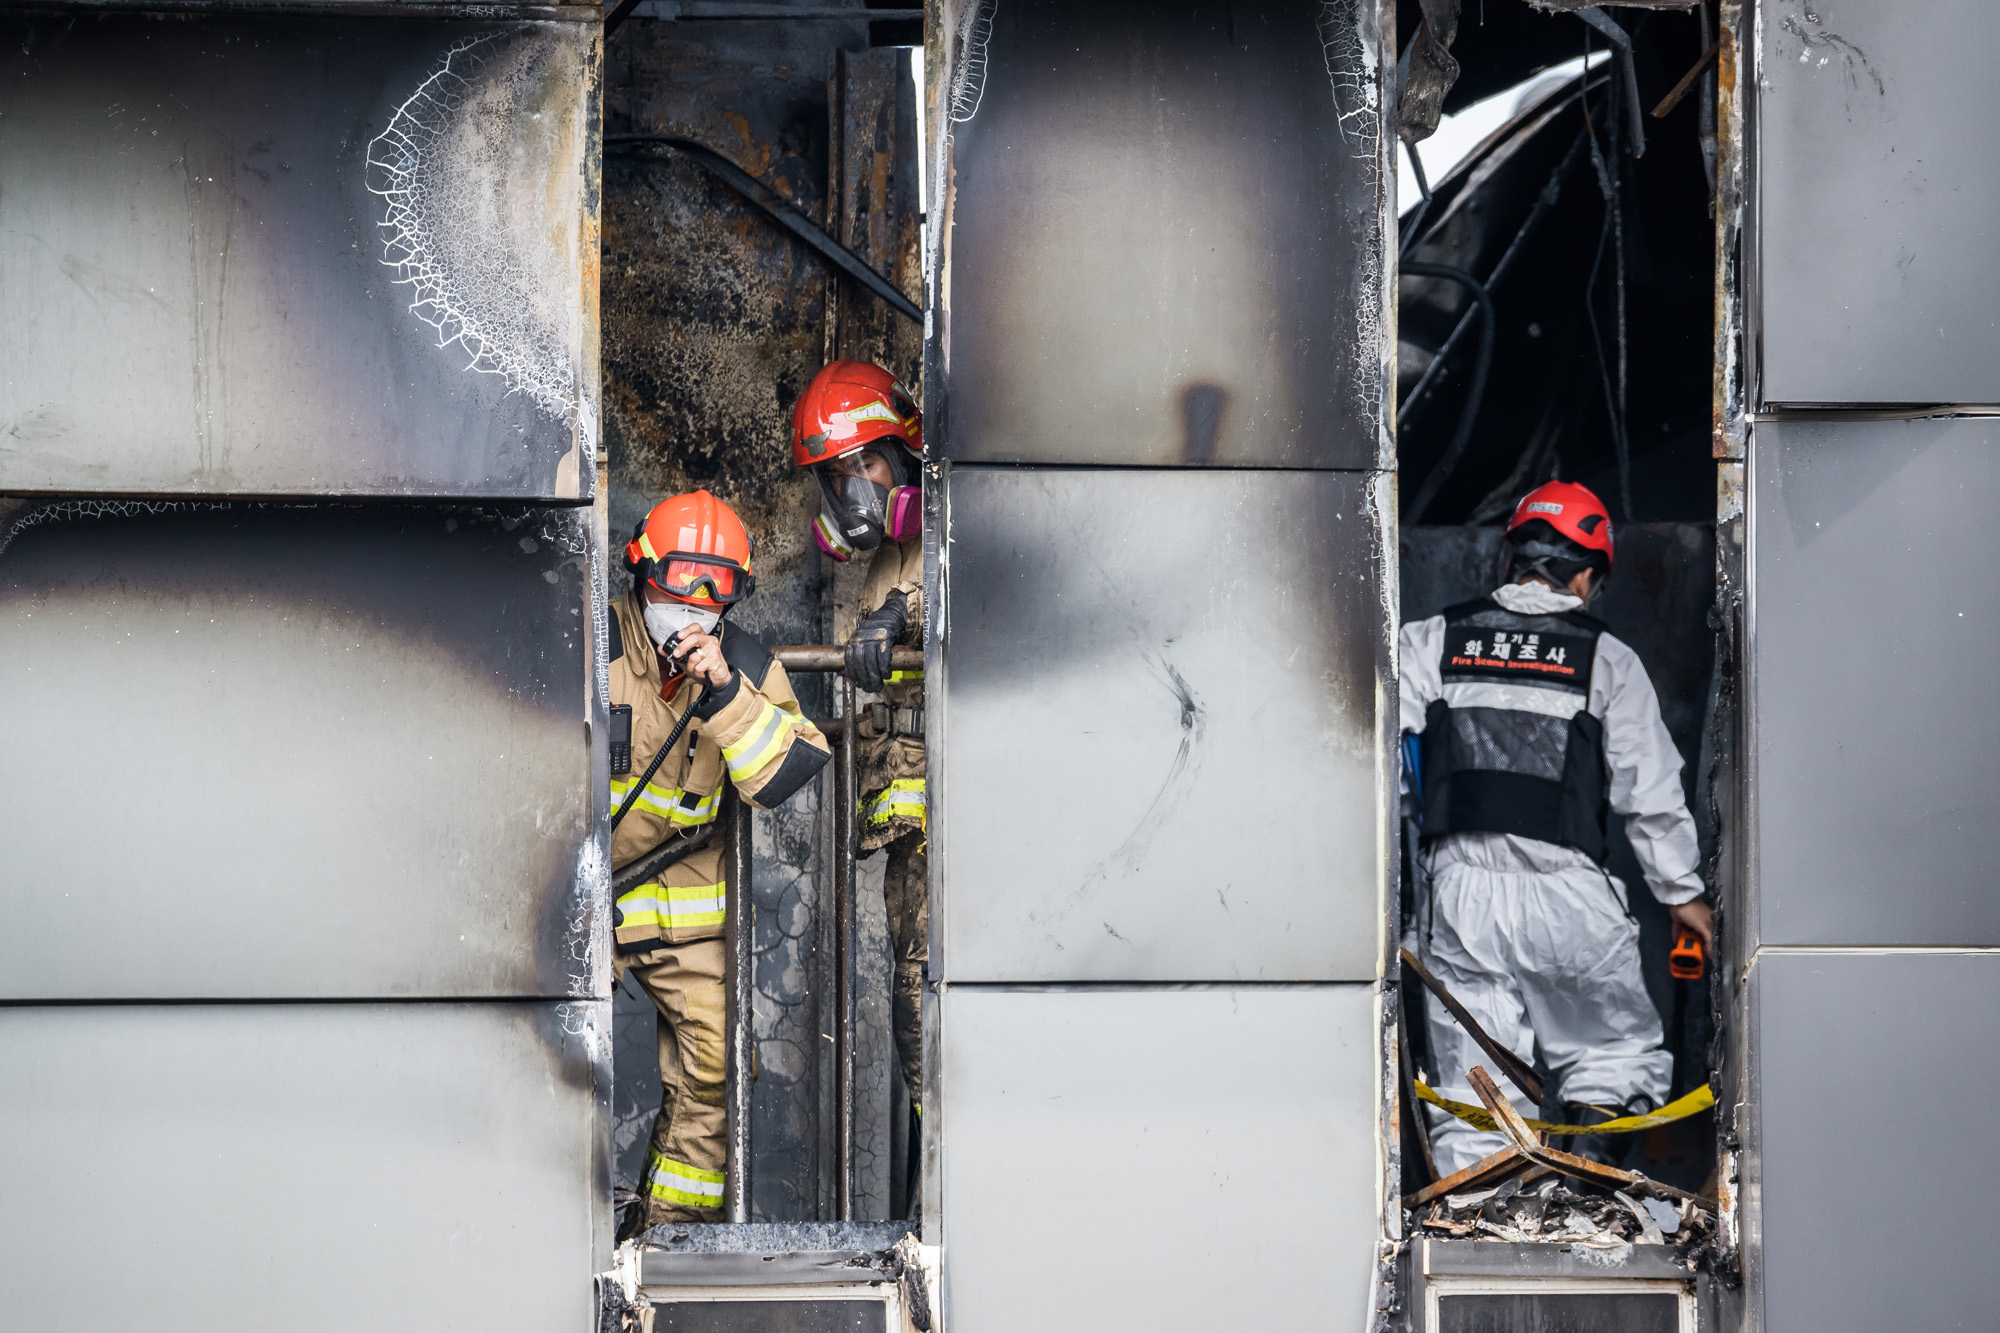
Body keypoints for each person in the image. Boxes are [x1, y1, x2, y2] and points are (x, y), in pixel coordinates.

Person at [1401, 480, 1713, 1175]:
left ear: (1512, 559)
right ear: (1586, 573)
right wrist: (1682, 897)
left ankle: (1483, 1224)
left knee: (1472, 1088)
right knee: (1614, 1054)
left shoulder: (1429, 639)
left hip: (1459, 898)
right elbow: (1650, 791)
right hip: (1568, 896)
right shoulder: (1606, 656)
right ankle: (1590, 1183)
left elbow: (1377, 758)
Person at [609, 489, 829, 1233]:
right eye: (677, 590)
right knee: (546, 1053)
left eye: (713, 594)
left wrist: (728, 693)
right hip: (573, 891)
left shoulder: (742, 663)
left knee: (722, 1063)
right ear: (641, 579)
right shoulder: (586, 642)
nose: (693, 611)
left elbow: (790, 773)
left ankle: (663, 1237)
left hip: (676, 893)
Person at [791, 360, 928, 1121]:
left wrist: (901, 620)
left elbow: (966, 590)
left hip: (961, 839)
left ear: (905, 455)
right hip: (912, 841)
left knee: (937, 1005)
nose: (855, 491)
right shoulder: (879, 561)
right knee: (915, 1012)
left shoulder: (950, 528)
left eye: (867, 463)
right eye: (837, 477)